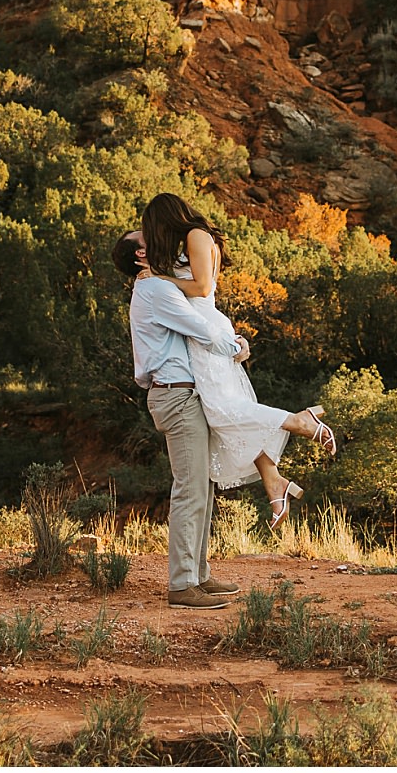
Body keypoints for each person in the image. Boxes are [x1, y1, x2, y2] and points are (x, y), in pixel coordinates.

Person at [138, 193, 338, 531]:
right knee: (229, 410)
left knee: (220, 409)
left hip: (204, 329)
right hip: (201, 330)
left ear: (166, 219)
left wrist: (159, 280)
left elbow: (202, 288)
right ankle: (274, 483)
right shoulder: (190, 241)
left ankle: (298, 421)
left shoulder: (197, 235)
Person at [111, 227, 244, 610]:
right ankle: (183, 585)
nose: (156, 235)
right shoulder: (154, 288)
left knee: (201, 488)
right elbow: (200, 330)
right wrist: (236, 347)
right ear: (140, 256)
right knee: (190, 489)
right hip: (176, 394)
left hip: (184, 392)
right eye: (146, 236)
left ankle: (198, 576)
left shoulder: (158, 285)